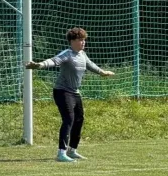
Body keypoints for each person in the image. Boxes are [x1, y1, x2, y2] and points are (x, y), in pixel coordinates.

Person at [26, 27, 114, 162]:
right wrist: (39, 65)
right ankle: (61, 153)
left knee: (79, 119)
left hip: (75, 92)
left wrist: (102, 72)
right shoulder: (67, 53)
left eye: (84, 40)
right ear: (72, 41)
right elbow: (53, 61)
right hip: (62, 91)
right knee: (68, 120)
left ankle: (72, 150)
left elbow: (90, 65)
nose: (83, 42)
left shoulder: (82, 54)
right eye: (80, 40)